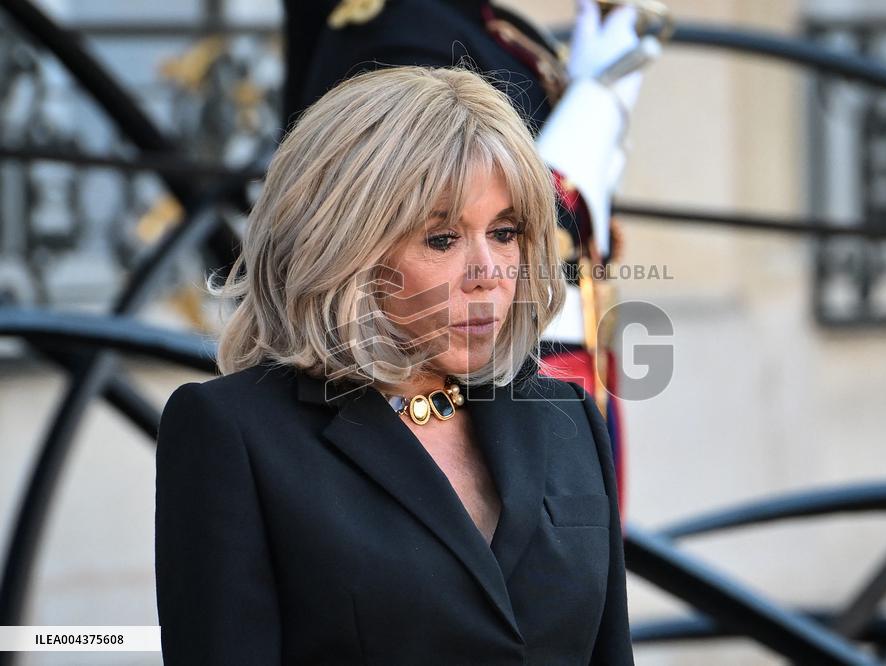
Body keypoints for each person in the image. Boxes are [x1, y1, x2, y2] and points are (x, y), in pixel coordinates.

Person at [154, 65, 634, 664]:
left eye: (505, 232)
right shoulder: (234, 435)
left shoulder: (569, 419)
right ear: (344, 249)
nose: (488, 274)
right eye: (443, 239)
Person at [281, 0, 662, 524]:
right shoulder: (397, 31)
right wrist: (595, 106)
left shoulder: (490, 25)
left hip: (554, 351)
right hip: (468, 366)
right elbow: (493, 215)